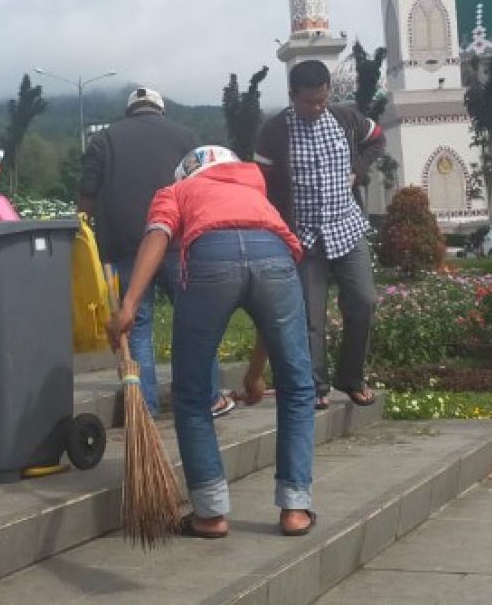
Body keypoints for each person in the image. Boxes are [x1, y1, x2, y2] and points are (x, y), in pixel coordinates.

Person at [110, 146, 316, 538]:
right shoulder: (255, 192)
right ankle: (295, 508)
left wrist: (129, 304)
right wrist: (256, 375)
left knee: (190, 394)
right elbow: (269, 324)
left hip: (209, 257)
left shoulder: (175, 191)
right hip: (274, 254)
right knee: (297, 386)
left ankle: (210, 513)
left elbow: (159, 234)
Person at [77, 87, 233, 419]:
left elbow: (86, 197)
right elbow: (204, 186)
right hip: (179, 241)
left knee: (138, 324)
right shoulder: (187, 136)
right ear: (160, 110)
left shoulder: (104, 139)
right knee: (195, 321)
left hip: (124, 245)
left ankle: (143, 408)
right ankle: (208, 398)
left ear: (129, 111)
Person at [254, 60, 385, 410]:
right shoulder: (274, 131)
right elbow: (260, 183)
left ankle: (351, 378)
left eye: (322, 101)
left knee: (364, 301)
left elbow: (377, 137)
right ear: (293, 95)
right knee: (310, 318)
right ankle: (316, 387)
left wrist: (358, 169)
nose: (316, 108)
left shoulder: (346, 118)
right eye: (309, 102)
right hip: (304, 239)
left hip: (347, 228)